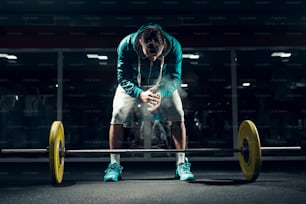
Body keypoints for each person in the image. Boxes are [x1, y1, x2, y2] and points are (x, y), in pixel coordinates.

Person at [104, 23, 195, 182]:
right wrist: (139, 94)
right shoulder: (126, 45)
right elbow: (123, 78)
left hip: (161, 84)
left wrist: (162, 93)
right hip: (133, 84)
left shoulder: (174, 47)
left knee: (178, 114)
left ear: (164, 45)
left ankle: (181, 164)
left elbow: (174, 77)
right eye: (148, 53)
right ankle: (114, 165)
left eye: (156, 54)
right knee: (117, 113)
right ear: (140, 42)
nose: (153, 58)